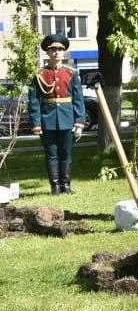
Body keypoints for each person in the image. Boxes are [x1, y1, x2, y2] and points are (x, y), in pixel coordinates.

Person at [28, 33, 86, 195]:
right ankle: (55, 186)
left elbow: (78, 99)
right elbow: (34, 100)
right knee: (51, 154)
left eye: (60, 49)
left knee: (66, 153)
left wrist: (79, 123)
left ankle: (66, 185)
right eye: (53, 49)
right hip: (47, 120)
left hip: (67, 119)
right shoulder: (39, 74)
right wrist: (36, 124)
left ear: (64, 52)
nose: (56, 52)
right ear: (47, 52)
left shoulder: (71, 73)